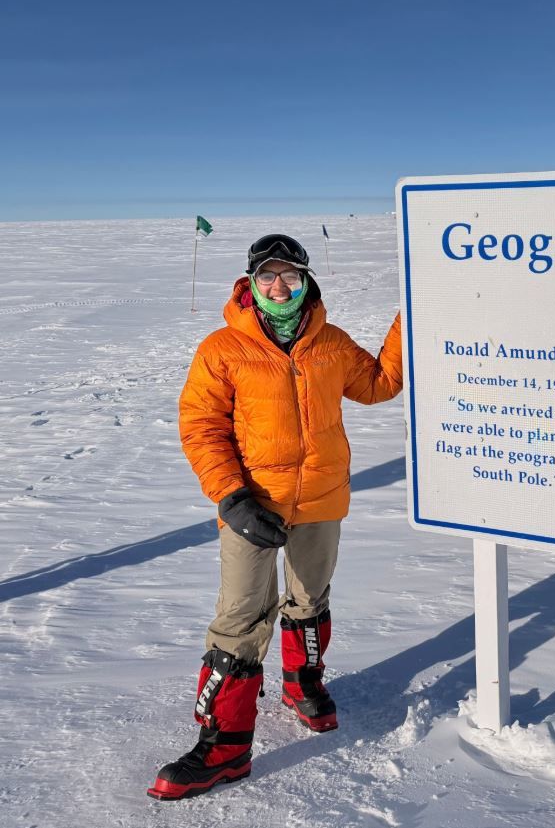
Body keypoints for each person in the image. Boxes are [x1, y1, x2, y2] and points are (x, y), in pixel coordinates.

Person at [148, 234, 403, 801]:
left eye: (289, 275)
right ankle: (224, 747)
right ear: (250, 284)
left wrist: (410, 317)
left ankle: (302, 684)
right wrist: (232, 496)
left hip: (321, 498)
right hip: (252, 505)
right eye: (268, 276)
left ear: (307, 281)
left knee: (310, 597)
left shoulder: (331, 343)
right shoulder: (222, 349)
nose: (279, 286)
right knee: (240, 616)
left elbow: (381, 384)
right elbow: (201, 426)